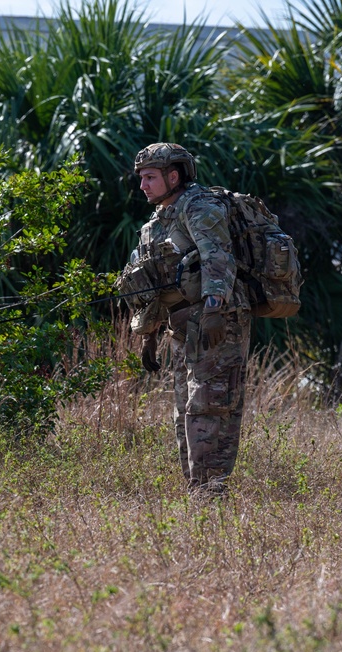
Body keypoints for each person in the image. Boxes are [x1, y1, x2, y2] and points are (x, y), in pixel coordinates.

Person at [118, 143, 251, 495]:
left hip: (217, 321)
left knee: (209, 406)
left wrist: (213, 307)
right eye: (141, 178)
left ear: (173, 176)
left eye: (150, 177)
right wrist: (148, 334)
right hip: (180, 327)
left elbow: (217, 256)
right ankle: (198, 488)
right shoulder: (154, 225)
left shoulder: (200, 205)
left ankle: (211, 491)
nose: (143, 185)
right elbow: (155, 283)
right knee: (184, 411)